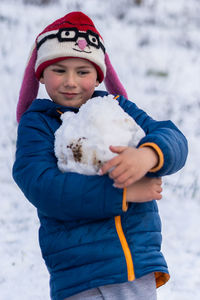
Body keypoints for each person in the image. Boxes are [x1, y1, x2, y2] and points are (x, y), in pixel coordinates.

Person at [12, 11, 188, 300]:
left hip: (135, 266)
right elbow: (43, 186)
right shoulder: (39, 124)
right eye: (59, 70)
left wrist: (148, 156)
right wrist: (123, 193)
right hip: (80, 273)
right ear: (41, 74)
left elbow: (173, 138)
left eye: (82, 72)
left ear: (98, 76)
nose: (71, 81)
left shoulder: (118, 108)